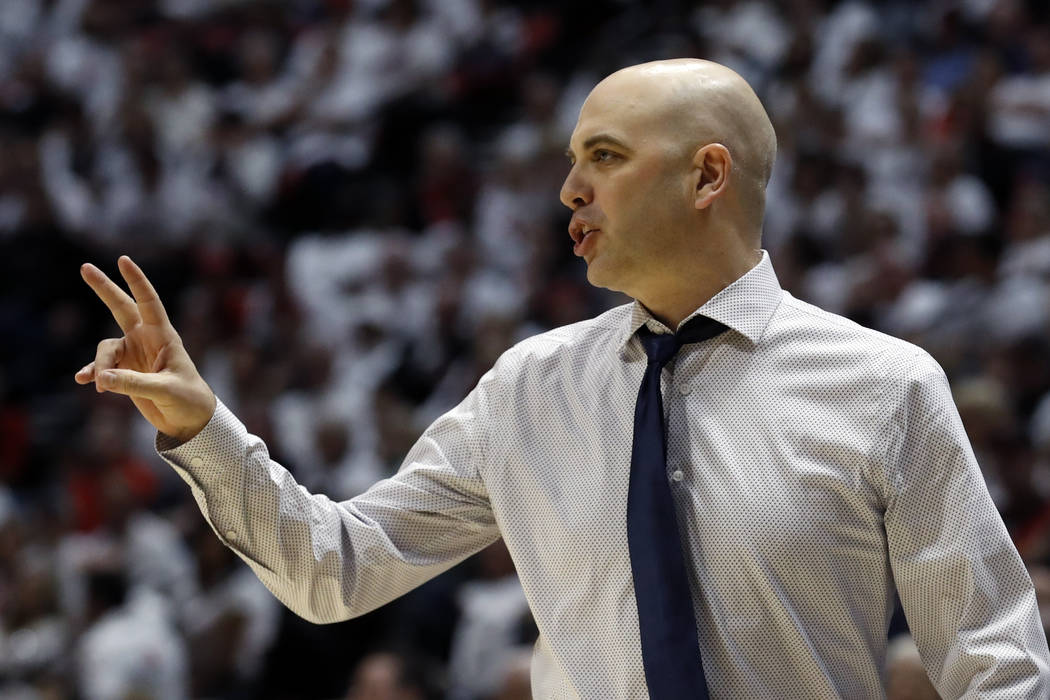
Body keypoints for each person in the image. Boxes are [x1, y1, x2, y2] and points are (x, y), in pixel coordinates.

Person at [75, 59, 1050, 698]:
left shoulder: (887, 385)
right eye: (571, 159)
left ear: (708, 177)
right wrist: (203, 429)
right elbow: (335, 568)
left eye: (605, 158)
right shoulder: (527, 387)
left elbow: (996, 663)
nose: (568, 190)